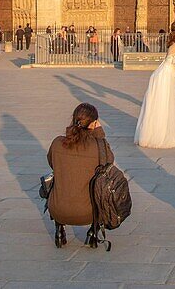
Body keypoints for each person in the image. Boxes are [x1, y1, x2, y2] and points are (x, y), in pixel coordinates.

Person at [46, 102, 114, 248]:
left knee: (58, 177)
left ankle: (59, 228)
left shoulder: (57, 143)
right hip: (88, 213)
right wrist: (99, 134)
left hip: (58, 209)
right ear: (93, 124)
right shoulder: (98, 146)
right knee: (104, 183)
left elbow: (52, 163)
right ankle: (93, 231)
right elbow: (109, 164)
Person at [135, 21, 175, 148]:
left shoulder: (174, 43)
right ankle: (160, 136)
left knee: (159, 104)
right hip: (165, 75)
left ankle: (153, 134)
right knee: (164, 103)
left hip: (162, 73)